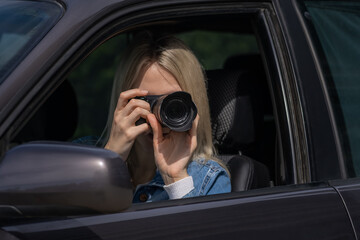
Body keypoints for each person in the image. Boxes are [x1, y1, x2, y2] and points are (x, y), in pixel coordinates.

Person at [93, 33, 230, 203]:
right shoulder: (83, 157)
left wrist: (176, 178)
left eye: (172, 105)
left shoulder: (208, 178)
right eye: (144, 102)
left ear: (193, 106)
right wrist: (110, 160)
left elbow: (201, 230)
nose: (155, 118)